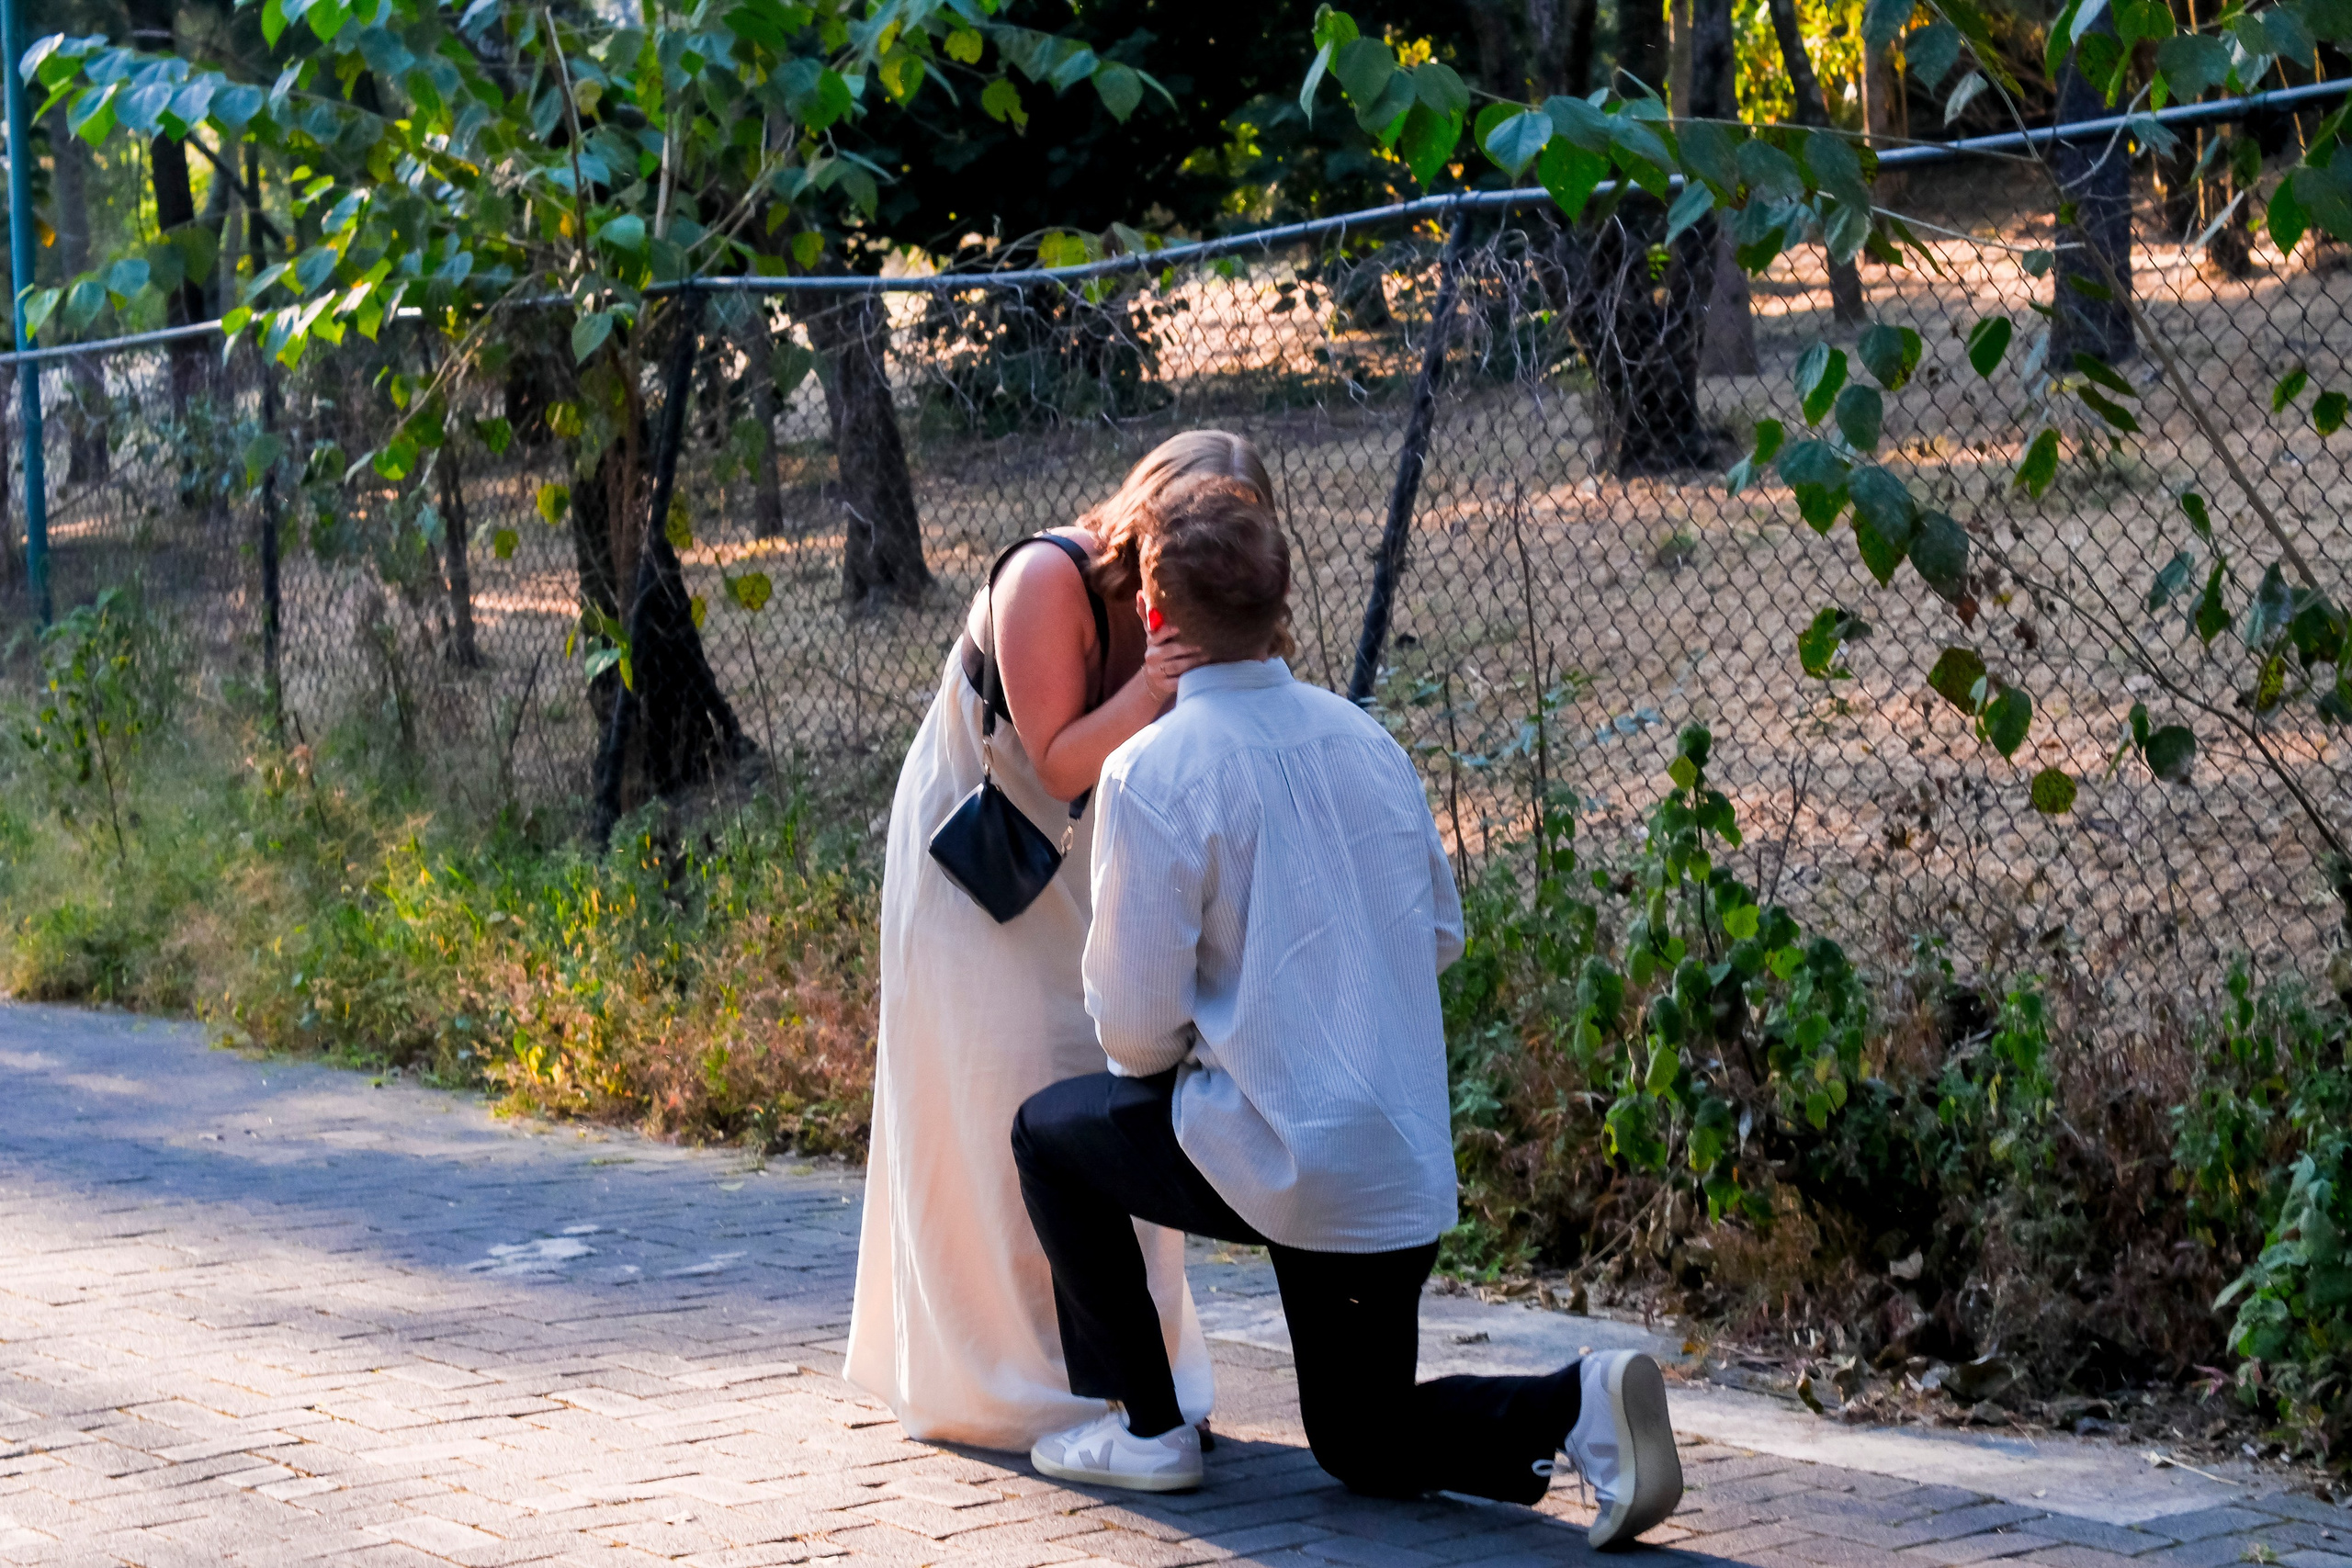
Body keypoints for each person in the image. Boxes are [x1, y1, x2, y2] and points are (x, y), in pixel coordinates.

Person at [1008, 476, 1685, 1549]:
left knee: (1049, 1133)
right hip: (1398, 1159)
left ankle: (1146, 1428)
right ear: (1282, 608)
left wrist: (1228, 1037)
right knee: (1361, 1444)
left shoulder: (1150, 768)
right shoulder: (1366, 741)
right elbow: (1438, 937)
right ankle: (1577, 1403)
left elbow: (1132, 1037)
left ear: (1151, 617)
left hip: (1276, 1155)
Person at [845, 433, 1279, 1450]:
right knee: (996, 1101)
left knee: (1105, 1084)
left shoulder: (1206, 600)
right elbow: (1054, 765)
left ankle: (1135, 1385)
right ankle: (1010, 1385)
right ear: (1149, 520)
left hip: (1091, 865)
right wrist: (1153, 689)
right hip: (980, 872)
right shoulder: (1049, 577)